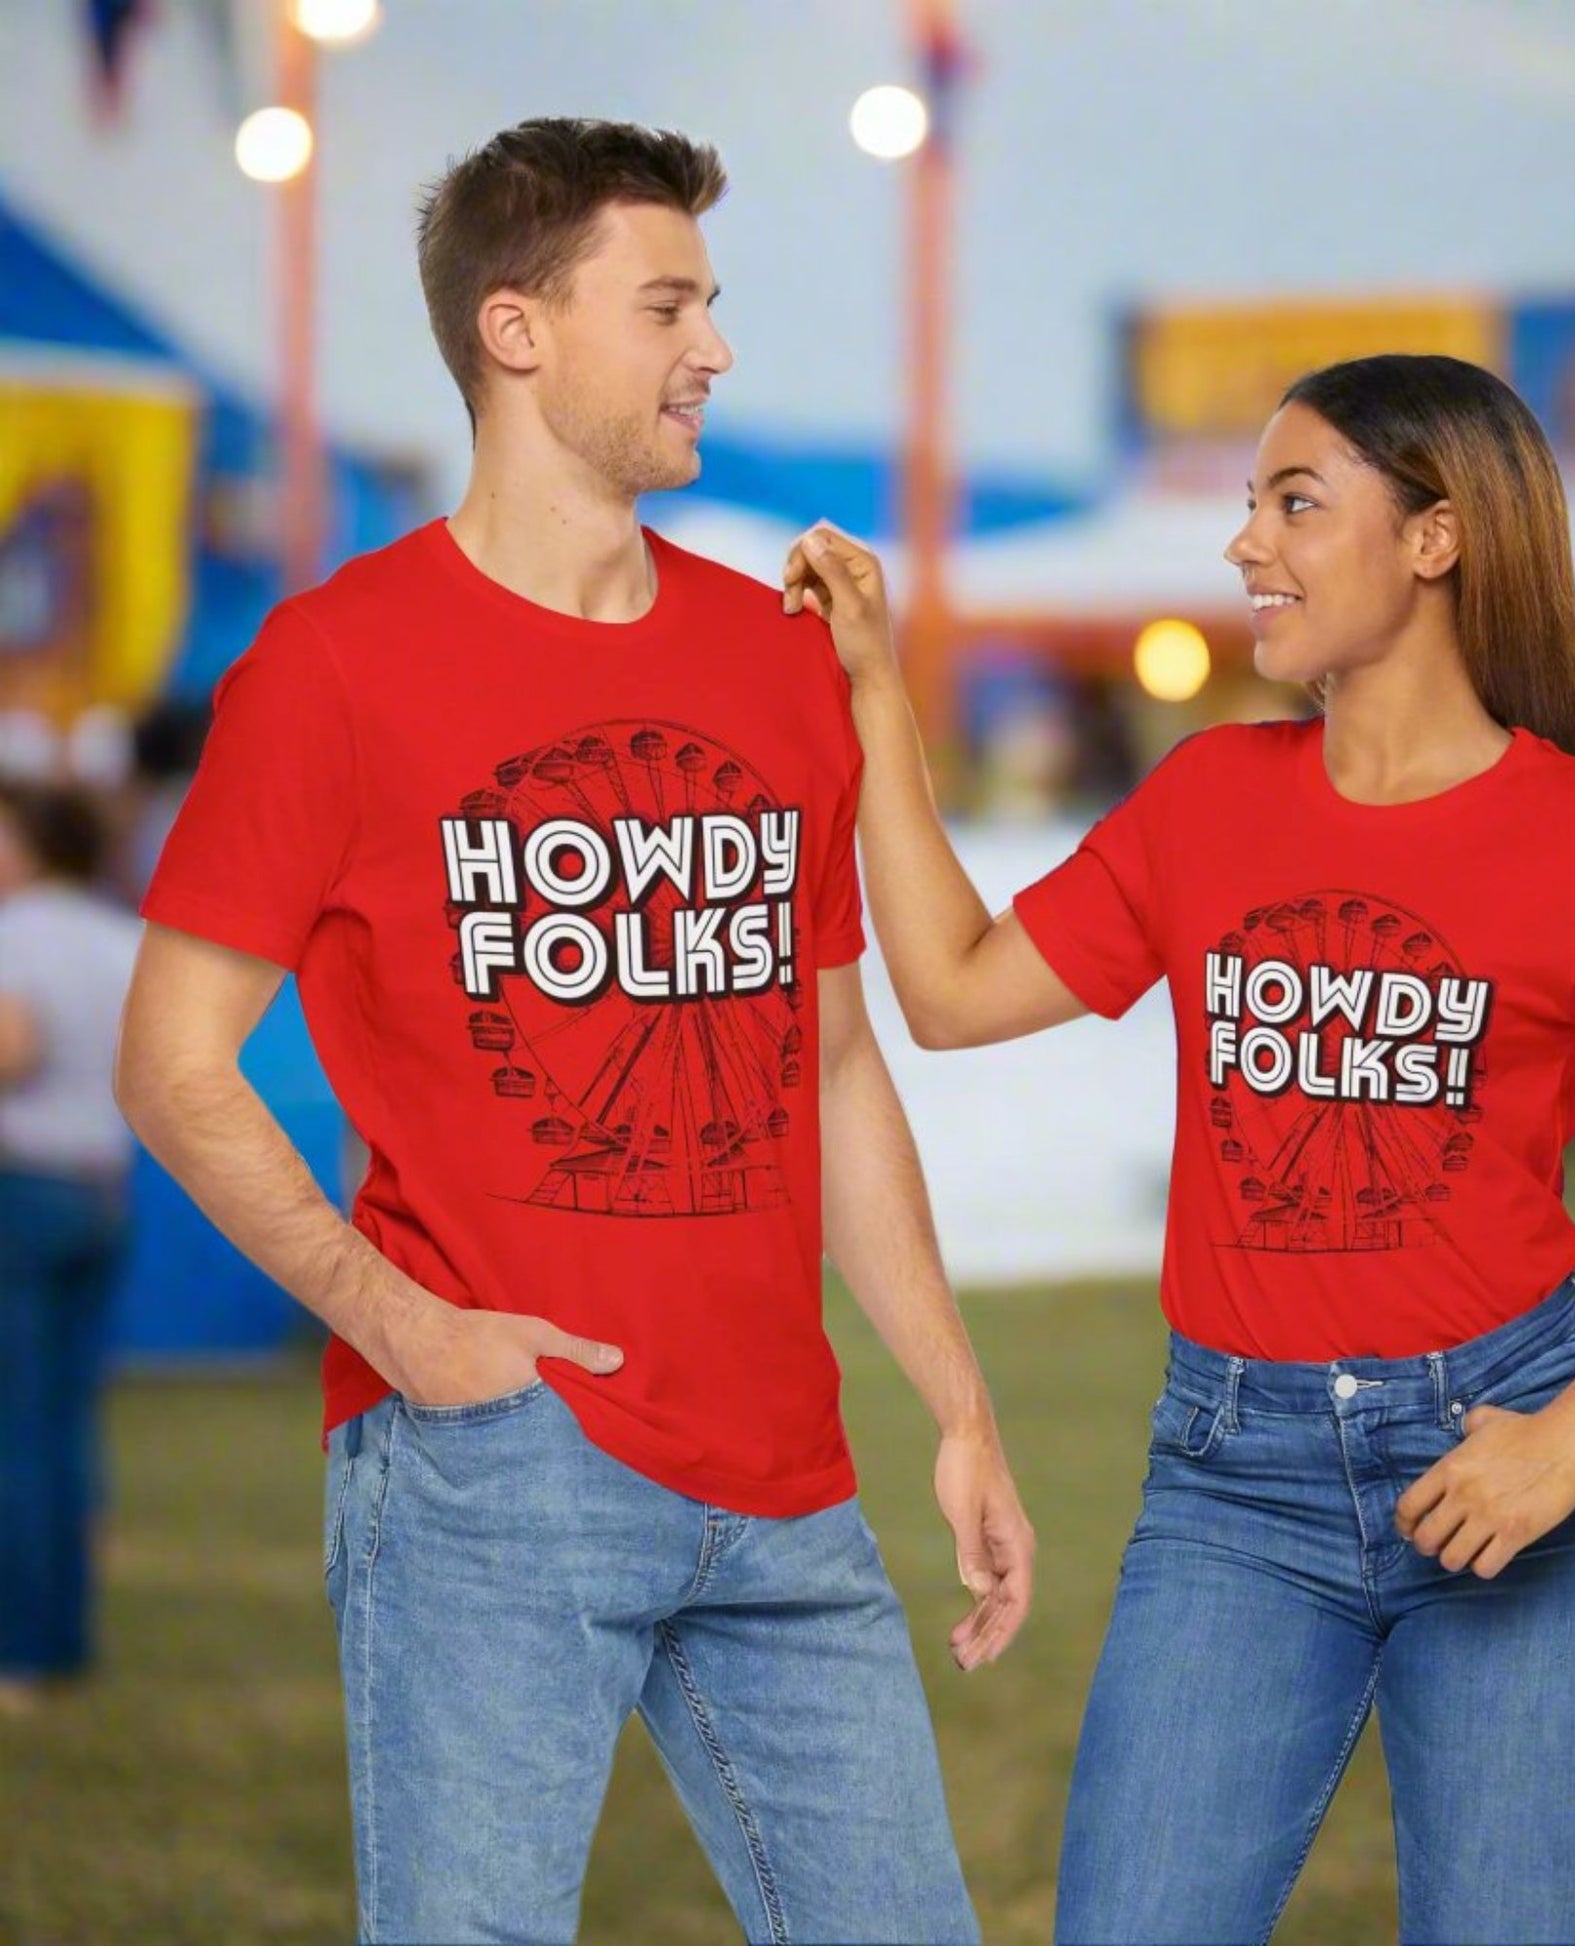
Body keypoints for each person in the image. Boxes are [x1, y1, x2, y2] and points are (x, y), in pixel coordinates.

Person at [782, 354, 1575, 1945]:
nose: (1244, 545)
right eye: (1248, 503)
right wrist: (874, 689)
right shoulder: (1210, 797)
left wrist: (1568, 1439)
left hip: (1507, 1469)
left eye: (1294, 501)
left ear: (1434, 540)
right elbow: (946, 992)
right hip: (1232, 1485)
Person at [117, 119, 1029, 1946]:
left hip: (787, 1470)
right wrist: (403, 1326)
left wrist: (951, 1392)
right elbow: (172, 1059)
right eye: (670, 301)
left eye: (714, 300)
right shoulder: (332, 663)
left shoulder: (777, 660)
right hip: (492, 1461)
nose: (717, 346)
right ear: (517, 330)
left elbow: (832, 1060)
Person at [0, 782, 142, 1715]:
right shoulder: (122, 936)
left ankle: (22, 1648)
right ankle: (63, 1634)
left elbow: (14, 1052)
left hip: (23, 1189)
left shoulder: (19, 934)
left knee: (17, 1430)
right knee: (63, 1421)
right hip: (103, 1187)